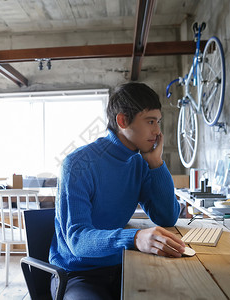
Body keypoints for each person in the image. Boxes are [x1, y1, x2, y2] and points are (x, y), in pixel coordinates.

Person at [49, 82, 185, 299]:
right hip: (78, 274)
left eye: (158, 122)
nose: (158, 131)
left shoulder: (140, 163)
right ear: (122, 121)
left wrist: (156, 163)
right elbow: (77, 240)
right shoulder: (78, 164)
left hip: (126, 265)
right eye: (150, 121)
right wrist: (135, 238)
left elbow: (167, 217)